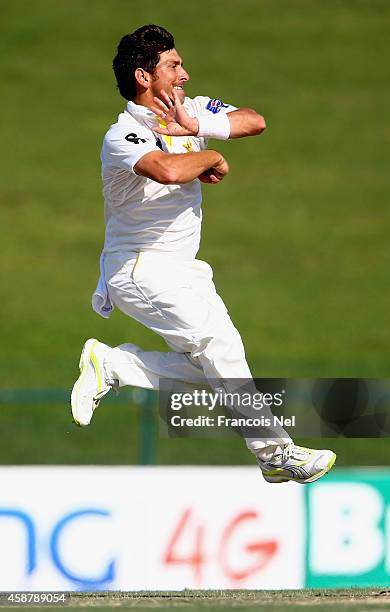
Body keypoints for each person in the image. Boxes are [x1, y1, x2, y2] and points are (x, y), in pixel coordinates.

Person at [71, 24, 336, 484]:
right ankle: (275, 454)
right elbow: (169, 170)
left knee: (217, 368)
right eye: (173, 66)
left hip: (186, 269)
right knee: (221, 347)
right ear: (143, 76)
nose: (185, 74)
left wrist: (199, 128)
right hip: (138, 267)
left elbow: (255, 120)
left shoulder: (192, 110)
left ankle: (116, 365)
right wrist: (211, 158)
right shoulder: (123, 134)